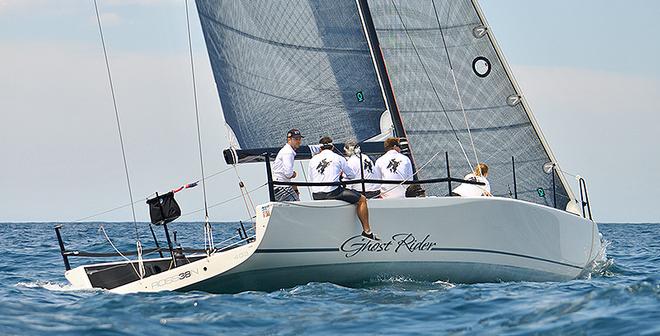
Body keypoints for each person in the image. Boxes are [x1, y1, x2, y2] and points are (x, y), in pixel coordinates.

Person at [309, 136, 379, 240]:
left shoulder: (313, 159)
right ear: (332, 147)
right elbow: (351, 175)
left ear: (320, 148)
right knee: (362, 199)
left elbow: (311, 178)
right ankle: (367, 231)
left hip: (316, 194)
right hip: (332, 192)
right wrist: (340, 174)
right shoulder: (339, 158)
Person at [272, 129, 303, 201]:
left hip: (277, 185)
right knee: (298, 207)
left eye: (299, 139)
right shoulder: (288, 152)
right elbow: (288, 174)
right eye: (296, 139)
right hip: (282, 186)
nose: (298, 141)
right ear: (289, 139)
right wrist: (294, 174)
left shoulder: (285, 150)